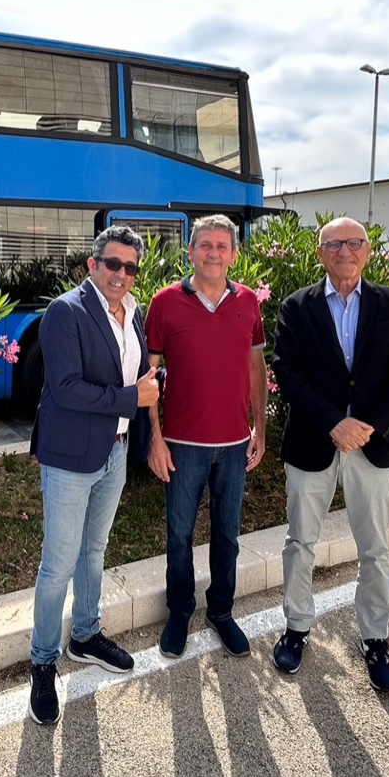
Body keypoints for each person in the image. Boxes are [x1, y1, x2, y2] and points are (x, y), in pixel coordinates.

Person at [270, 216, 389, 692]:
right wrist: (333, 422)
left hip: (373, 446)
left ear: (368, 251)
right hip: (314, 441)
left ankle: (375, 637)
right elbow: (287, 373)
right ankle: (297, 627)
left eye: (354, 243)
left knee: (374, 548)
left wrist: (369, 425)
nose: (344, 251)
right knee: (300, 543)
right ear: (321, 253)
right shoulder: (297, 307)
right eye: (334, 244)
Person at [26, 225, 161, 726]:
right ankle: (42, 663)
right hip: (69, 456)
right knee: (58, 564)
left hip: (116, 450)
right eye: (112, 264)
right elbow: (65, 389)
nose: (121, 274)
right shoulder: (67, 311)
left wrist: (147, 395)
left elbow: (134, 378)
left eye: (130, 267)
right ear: (92, 264)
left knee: (94, 551)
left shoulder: (135, 312)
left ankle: (85, 634)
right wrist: (133, 399)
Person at [144, 214, 267, 659]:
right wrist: (154, 439)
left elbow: (256, 368)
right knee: (179, 535)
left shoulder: (249, 302)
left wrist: (260, 428)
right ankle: (180, 611)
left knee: (227, 534)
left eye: (222, 246)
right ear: (190, 250)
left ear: (234, 254)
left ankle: (221, 610)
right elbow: (148, 377)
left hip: (234, 444)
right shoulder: (165, 303)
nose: (213, 253)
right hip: (181, 443)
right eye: (205, 245)